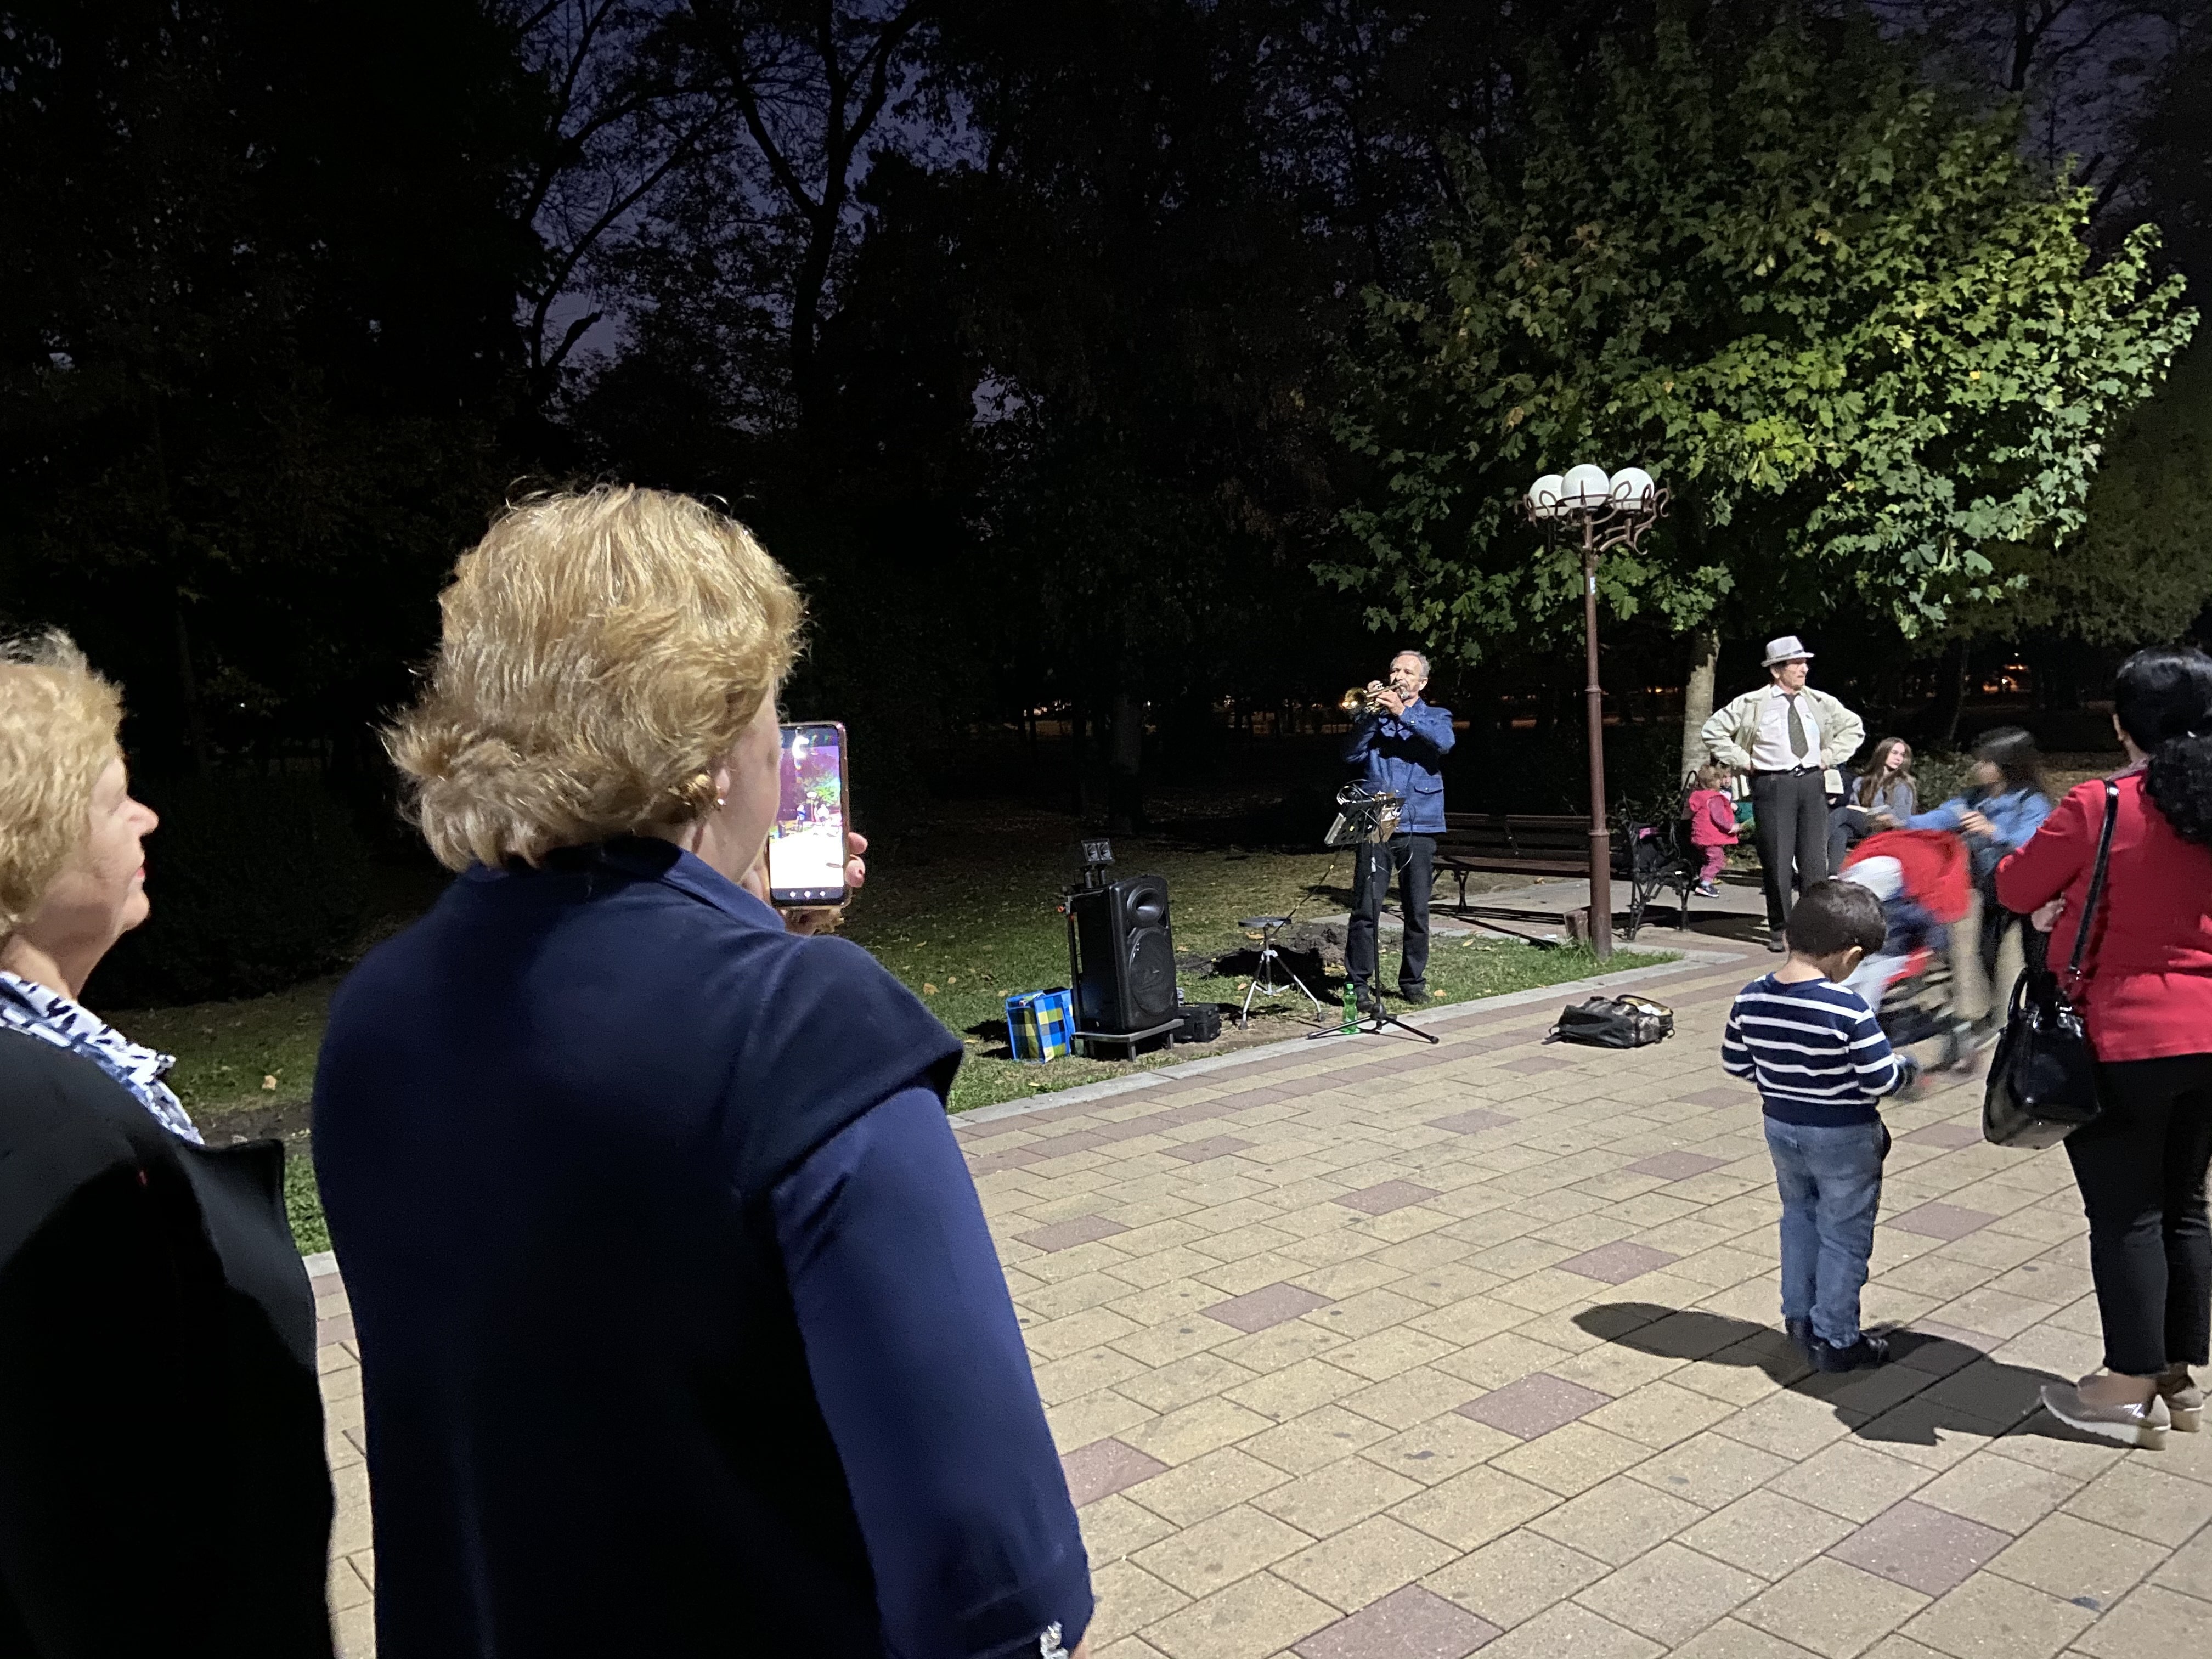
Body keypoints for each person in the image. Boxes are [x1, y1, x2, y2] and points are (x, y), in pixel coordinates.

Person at [313, 487, 1092, 1659]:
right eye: (770, 704)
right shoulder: (807, 1029)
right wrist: (762, 970)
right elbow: (991, 1576)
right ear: (719, 746)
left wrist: (741, 929)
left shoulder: (377, 1015)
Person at [0, 633, 334, 1656]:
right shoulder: (51, 1125)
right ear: (26, 848)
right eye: (115, 800)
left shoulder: (59, 1075)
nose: (147, 817)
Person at [1995, 647, 2212, 1449]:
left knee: (2127, 1215)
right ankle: (2177, 1377)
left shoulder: (2104, 805)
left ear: (2122, 725)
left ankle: (2126, 1385)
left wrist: (2054, 909)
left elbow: (2015, 886)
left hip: (2125, 1036)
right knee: (2186, 1206)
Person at [1722, 879, 1917, 1373]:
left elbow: (1736, 1063)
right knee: (1844, 1235)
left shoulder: (1750, 997)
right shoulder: (1848, 1009)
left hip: (1781, 1126)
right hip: (1844, 1136)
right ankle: (1837, 1337)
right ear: (1850, 956)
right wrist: (1908, 1069)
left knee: (1798, 1217)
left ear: (1790, 936)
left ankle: (1799, 1316)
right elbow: (1880, 1079)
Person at [1702, 635, 1867, 951]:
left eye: (1805, 663)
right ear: (1777, 670)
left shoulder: (1819, 701)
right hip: (1773, 784)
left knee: (1815, 862)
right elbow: (1713, 731)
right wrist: (1744, 760)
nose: (1805, 669)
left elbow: (1854, 727)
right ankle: (1780, 928)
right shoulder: (1752, 703)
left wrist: (1829, 756)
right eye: (1797, 663)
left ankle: (1814, 929)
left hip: (1812, 782)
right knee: (1777, 860)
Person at [1891, 726, 2053, 1031]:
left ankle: (2017, 1021)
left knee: (2017, 957)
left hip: (2021, 895)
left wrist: (1992, 831)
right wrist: (1899, 822)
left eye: (1985, 761)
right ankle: (1983, 1015)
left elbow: (2031, 842)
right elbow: (1941, 817)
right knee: (1978, 949)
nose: (1977, 767)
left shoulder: (2031, 802)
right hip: (1986, 887)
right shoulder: (1975, 798)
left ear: (2006, 765)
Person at [1344, 650, 1455, 1009]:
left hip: (1420, 821)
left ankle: (1412, 982)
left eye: (1408, 672)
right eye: (1395, 669)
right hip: (1378, 819)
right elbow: (1350, 755)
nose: (1398, 676)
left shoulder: (1436, 715)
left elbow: (1444, 743)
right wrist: (1369, 717)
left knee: (1417, 909)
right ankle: (1359, 983)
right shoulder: (1374, 717)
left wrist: (1402, 714)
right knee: (1366, 907)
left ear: (1422, 683)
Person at [1829, 735, 1917, 869]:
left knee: (1843, 812)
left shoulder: (1902, 785)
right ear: (1883, 753)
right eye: (1894, 753)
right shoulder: (1862, 781)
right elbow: (1854, 807)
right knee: (1840, 831)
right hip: (1863, 824)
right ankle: (1833, 874)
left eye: (1902, 755)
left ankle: (1814, 845)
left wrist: (1868, 811)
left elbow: (1900, 817)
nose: (1898, 758)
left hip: (1884, 829)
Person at [1686, 761, 1738, 898]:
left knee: (1709, 860)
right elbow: (1719, 818)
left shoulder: (1699, 796)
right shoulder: (1714, 798)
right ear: (1714, 782)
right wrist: (1731, 827)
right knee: (1718, 859)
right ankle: (1705, 884)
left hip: (1699, 836)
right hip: (1710, 837)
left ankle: (1703, 881)